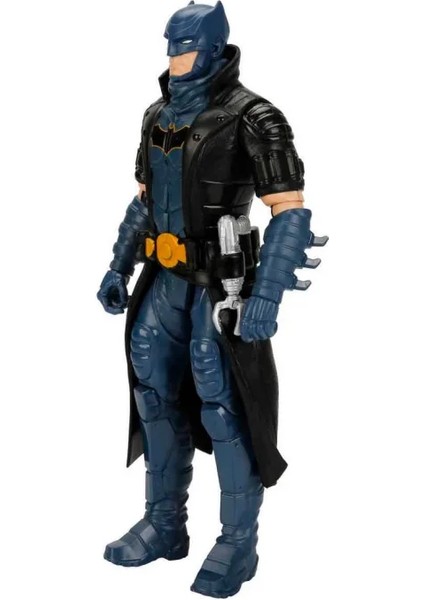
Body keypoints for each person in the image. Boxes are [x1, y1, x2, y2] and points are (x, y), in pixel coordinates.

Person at [97, 2, 326, 597]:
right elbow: (145, 201)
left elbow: (290, 211)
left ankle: (238, 543)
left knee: (224, 407)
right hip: (164, 280)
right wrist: (119, 265)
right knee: (152, 393)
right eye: (170, 46)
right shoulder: (156, 115)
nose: (176, 58)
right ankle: (165, 524)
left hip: (220, 288)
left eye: (187, 46)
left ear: (214, 46)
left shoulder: (256, 116)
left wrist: (267, 293)